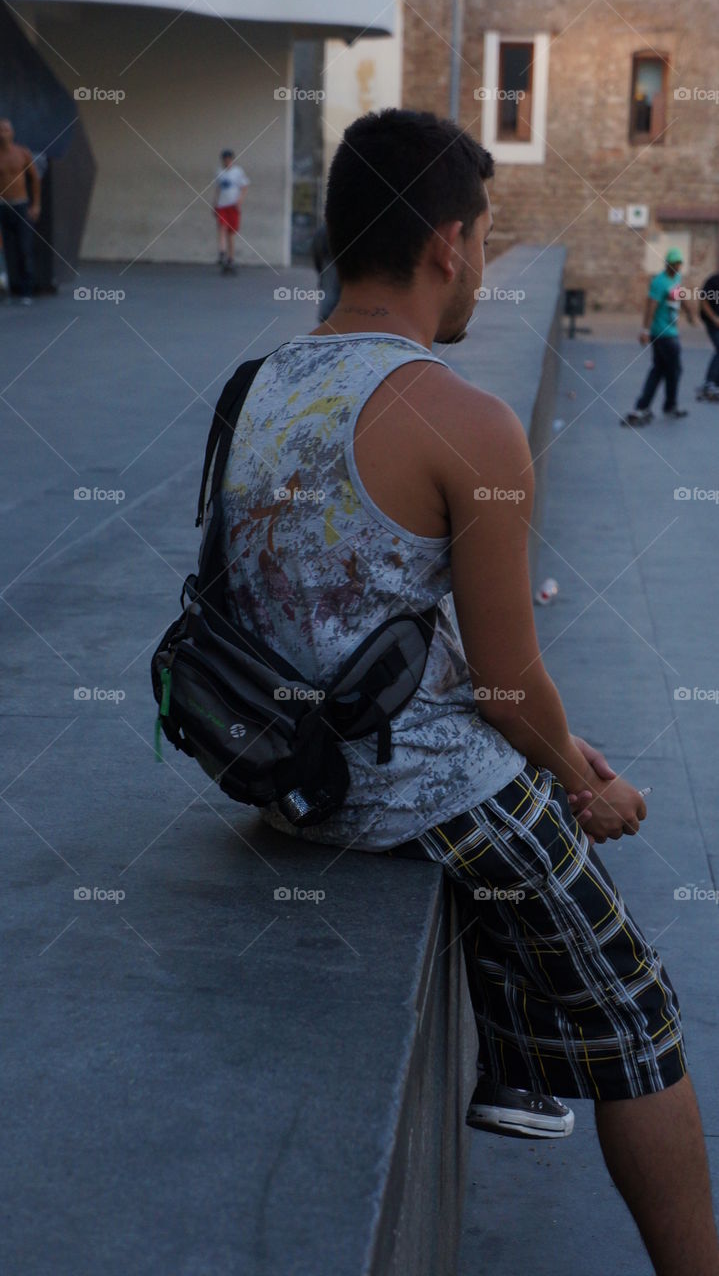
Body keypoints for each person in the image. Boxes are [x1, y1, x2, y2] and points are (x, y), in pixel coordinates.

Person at [218, 109, 719, 1275]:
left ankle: (518, 1061)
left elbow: (321, 601)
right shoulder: (466, 419)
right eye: (485, 236)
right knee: (641, 1012)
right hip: (401, 785)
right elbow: (503, 683)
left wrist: (551, 744)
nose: (484, 263)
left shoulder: (254, 385)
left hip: (274, 766)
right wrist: (590, 782)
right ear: (449, 243)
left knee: (536, 769)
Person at [623, 247, 695, 426]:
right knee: (671, 369)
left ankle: (648, 406)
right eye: (675, 264)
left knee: (661, 369)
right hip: (662, 333)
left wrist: (689, 312)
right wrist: (645, 331)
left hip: (671, 331)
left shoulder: (676, 278)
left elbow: (680, 294)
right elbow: (651, 307)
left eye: (679, 264)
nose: (678, 267)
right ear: (668, 265)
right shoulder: (659, 282)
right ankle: (663, 406)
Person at [0, 117, 41, 306]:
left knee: (24, 248)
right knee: (2, 250)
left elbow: (35, 179)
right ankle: (5, 288)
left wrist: (35, 205)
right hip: (2, 206)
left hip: (21, 205)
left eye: (6, 130)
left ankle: (27, 290)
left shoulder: (22, 153)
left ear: (12, 133)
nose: (3, 133)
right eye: (1, 130)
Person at [212, 148, 249, 275]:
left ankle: (230, 258)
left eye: (229, 159)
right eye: (225, 160)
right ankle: (222, 252)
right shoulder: (219, 172)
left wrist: (240, 201)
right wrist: (215, 203)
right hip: (222, 205)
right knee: (222, 227)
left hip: (233, 206)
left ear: (232, 160)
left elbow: (244, 187)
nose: (227, 162)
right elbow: (218, 189)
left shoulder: (238, 172)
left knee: (231, 234)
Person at [310, 221, 340, 322]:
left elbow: (316, 256)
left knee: (329, 298)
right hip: (332, 265)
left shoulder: (324, 230)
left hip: (328, 265)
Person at [696, 268, 719, 402]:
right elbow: (703, 301)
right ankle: (709, 383)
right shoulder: (713, 281)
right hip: (712, 323)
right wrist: (714, 318)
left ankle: (715, 383)